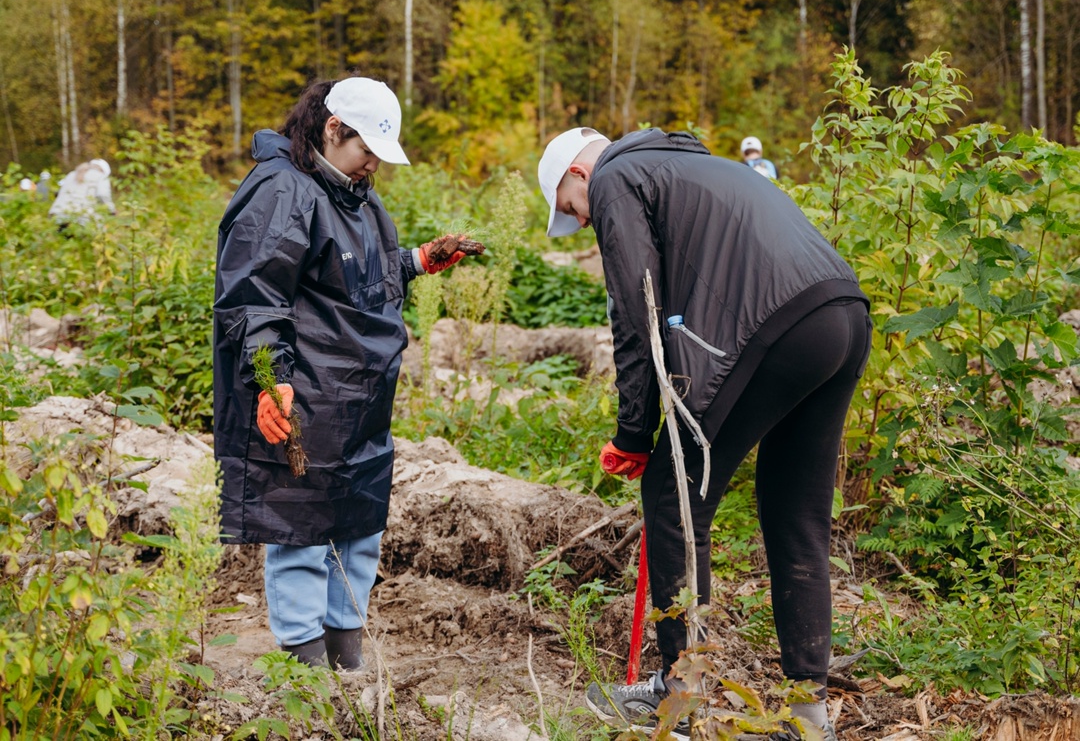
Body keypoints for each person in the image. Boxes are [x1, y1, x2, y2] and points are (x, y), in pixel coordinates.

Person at [539, 127, 870, 740]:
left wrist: (633, 434)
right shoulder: (689, 167)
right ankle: (809, 717)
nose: (581, 222)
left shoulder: (615, 178)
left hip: (778, 325)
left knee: (672, 496)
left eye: (571, 208)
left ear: (579, 175)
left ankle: (679, 699)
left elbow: (635, 310)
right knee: (795, 514)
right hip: (843, 315)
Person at [213, 77, 476, 671]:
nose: (373, 164)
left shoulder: (357, 194)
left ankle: (346, 661)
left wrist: (417, 261)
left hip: (361, 395)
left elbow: (353, 277)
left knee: (358, 528)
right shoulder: (282, 190)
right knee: (302, 531)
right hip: (306, 390)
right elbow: (254, 296)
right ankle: (305, 671)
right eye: (367, 149)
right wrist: (269, 380)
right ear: (333, 128)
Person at [48, 159, 115, 229]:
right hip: (81, 217)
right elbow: (102, 195)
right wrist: (111, 210)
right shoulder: (101, 176)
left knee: (62, 234)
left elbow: (59, 193)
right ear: (103, 171)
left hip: (58, 214)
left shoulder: (71, 174)